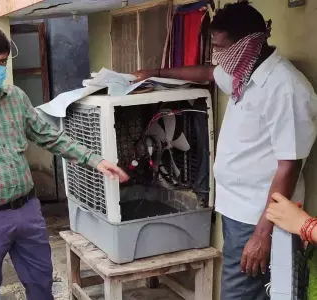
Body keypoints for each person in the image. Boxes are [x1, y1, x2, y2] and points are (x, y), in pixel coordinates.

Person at [133, 2, 317, 300]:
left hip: (259, 217)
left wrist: (261, 234)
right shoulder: (243, 72)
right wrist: (154, 73)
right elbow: (207, 72)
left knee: (239, 294)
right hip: (236, 209)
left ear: (248, 45)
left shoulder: (285, 88)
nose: (218, 56)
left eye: (222, 47)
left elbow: (289, 166)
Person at [0, 24, 129, 300]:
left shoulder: (16, 98)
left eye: (2, 62)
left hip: (27, 211)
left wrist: (94, 160)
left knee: (41, 286)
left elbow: (48, 136)